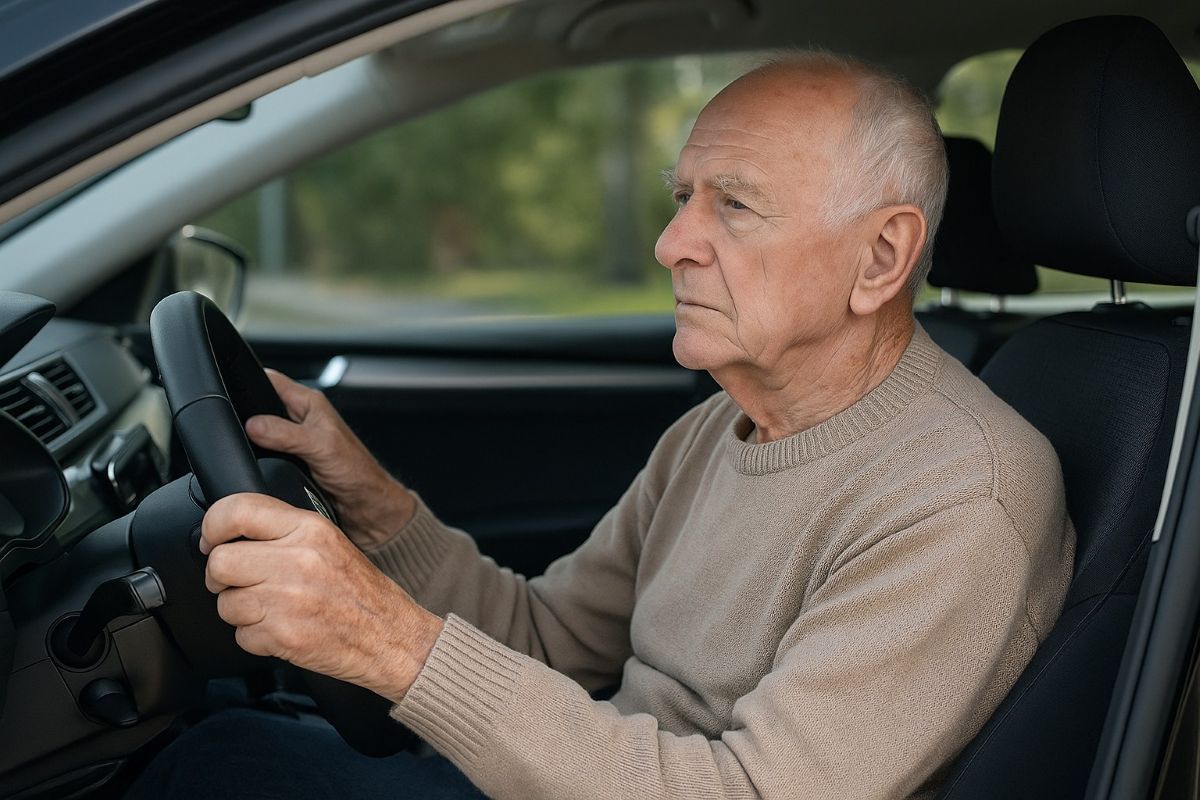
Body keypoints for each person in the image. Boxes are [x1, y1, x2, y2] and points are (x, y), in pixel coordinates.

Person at [129, 51, 1075, 800]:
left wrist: (395, 647)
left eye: (733, 205)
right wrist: (376, 509)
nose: (671, 244)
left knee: (221, 765)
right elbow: (549, 643)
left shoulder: (959, 496)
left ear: (881, 256)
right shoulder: (718, 430)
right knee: (229, 744)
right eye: (680, 198)